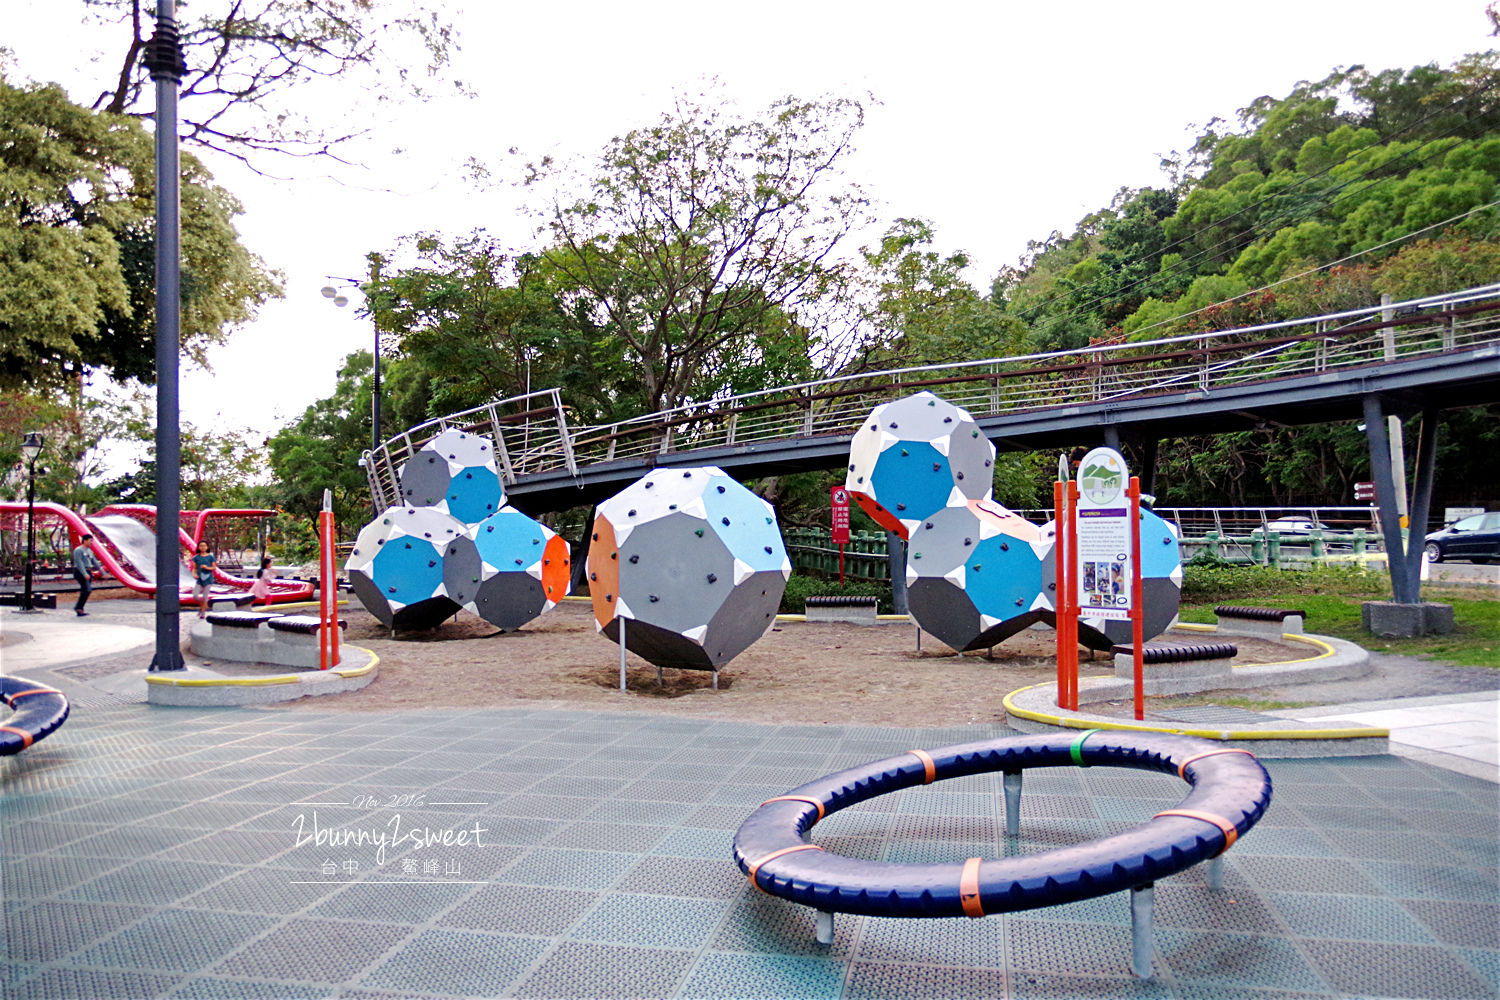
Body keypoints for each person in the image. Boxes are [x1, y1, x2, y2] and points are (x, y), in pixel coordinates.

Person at [71, 534, 102, 617]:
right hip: (80, 571)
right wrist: (84, 573)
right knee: (87, 590)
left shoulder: (89, 550)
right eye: (90, 540)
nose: (91, 542)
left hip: (88, 571)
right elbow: (79, 563)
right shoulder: (78, 550)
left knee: (86, 590)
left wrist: (102, 571)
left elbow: (94, 561)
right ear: (84, 540)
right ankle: (78, 607)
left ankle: (79, 608)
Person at [189, 541, 217, 618]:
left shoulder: (210, 557)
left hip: (208, 579)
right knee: (195, 595)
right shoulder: (196, 557)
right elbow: (194, 568)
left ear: (207, 547)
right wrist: (194, 574)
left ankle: (203, 612)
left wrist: (207, 567)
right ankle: (203, 607)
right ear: (198, 547)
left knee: (205, 596)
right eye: (201, 546)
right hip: (200, 579)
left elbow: (214, 567)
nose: (203, 547)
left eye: (204, 546)